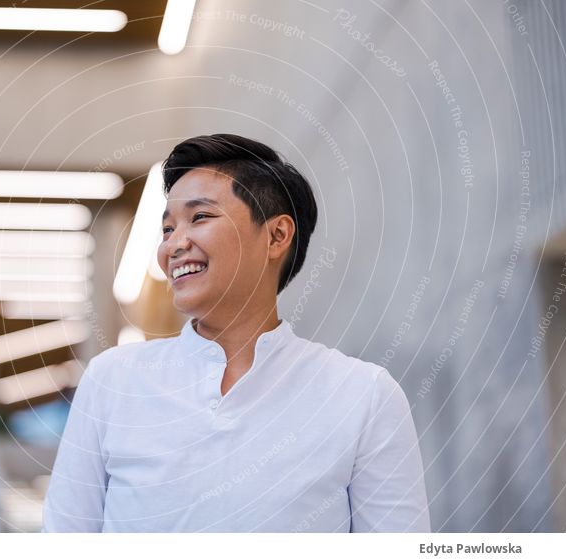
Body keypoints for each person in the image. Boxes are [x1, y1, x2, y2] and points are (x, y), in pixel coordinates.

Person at [42, 133, 430, 532]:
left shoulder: (362, 396)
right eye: (167, 229)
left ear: (277, 236)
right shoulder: (113, 381)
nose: (174, 245)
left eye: (200, 217)